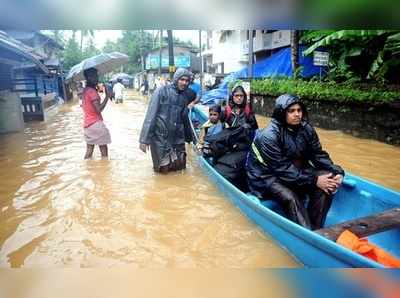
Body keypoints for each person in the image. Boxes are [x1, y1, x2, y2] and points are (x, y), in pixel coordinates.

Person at [246, 94, 345, 230]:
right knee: (290, 197)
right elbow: (281, 169)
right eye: (291, 111)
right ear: (282, 113)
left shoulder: (307, 129)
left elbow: (318, 155)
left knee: (328, 181)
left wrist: (337, 171)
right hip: (266, 177)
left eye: (299, 110)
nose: (297, 114)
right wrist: (314, 179)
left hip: (294, 172)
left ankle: (316, 229)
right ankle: (306, 234)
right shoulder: (269, 135)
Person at [139, 68, 193, 173]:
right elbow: (151, 115)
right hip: (161, 138)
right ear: (176, 79)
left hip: (177, 139)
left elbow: (185, 118)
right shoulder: (161, 91)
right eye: (182, 79)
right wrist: (144, 140)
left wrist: (190, 139)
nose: (184, 83)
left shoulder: (184, 96)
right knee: (162, 169)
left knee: (179, 167)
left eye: (187, 81)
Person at [81, 68, 111, 159]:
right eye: (94, 76)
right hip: (96, 124)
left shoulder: (85, 91)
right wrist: (107, 96)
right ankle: (105, 171)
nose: (97, 78)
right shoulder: (92, 92)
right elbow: (99, 109)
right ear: (88, 77)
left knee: (89, 152)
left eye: (97, 75)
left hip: (87, 125)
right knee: (104, 153)